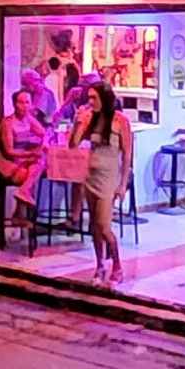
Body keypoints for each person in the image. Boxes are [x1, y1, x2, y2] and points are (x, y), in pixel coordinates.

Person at [72, 80, 133, 286]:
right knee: (94, 227)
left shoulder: (120, 121)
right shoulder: (90, 118)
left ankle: (117, 264)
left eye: (94, 97)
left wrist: (123, 184)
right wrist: (78, 123)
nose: (90, 101)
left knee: (103, 225)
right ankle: (100, 264)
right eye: (88, 97)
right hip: (90, 175)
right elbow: (73, 144)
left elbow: (127, 155)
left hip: (109, 177)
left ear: (104, 98)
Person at [0, 86, 49, 217]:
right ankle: (18, 213)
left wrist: (43, 144)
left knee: (38, 162)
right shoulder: (8, 122)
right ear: (14, 104)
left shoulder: (29, 118)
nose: (25, 105)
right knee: (31, 172)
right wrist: (30, 153)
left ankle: (22, 196)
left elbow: (44, 133)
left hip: (27, 160)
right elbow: (9, 151)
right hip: (13, 162)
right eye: (21, 102)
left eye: (28, 102)